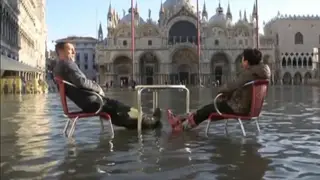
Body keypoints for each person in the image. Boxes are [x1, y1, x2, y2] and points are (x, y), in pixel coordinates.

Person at [53, 42, 162, 130]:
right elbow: (81, 81)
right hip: (94, 102)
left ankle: (141, 122)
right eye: (70, 49)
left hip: (87, 103)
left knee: (119, 111)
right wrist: (98, 88)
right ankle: (149, 121)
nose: (74, 52)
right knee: (123, 108)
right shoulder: (67, 63)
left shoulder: (57, 69)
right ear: (61, 51)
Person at [168, 48, 271, 131]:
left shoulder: (249, 73)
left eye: (243, 59)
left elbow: (232, 85)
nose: (241, 61)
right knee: (208, 108)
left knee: (208, 109)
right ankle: (181, 119)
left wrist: (220, 91)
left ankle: (183, 127)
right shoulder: (259, 74)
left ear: (247, 62)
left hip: (238, 108)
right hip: (246, 107)